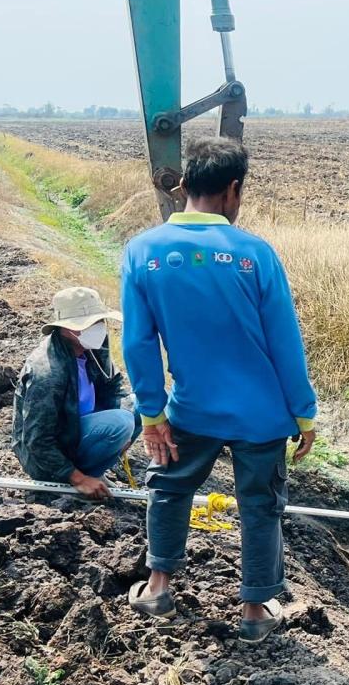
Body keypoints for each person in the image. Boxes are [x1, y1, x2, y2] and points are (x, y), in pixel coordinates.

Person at [121, 138, 317, 639]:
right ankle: (254, 615)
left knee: (168, 486)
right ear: (233, 190)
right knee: (260, 506)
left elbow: (139, 342)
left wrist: (152, 413)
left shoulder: (143, 252)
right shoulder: (255, 254)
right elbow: (285, 342)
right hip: (262, 414)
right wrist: (303, 412)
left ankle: (158, 586)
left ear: (184, 185)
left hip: (191, 408)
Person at [12, 286, 141, 500]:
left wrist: (125, 436)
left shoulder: (93, 348)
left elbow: (113, 385)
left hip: (79, 428)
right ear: (71, 329)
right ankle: (78, 481)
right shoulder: (47, 372)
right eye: (93, 323)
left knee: (141, 406)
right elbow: (36, 440)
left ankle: (95, 472)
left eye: (100, 321)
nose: (100, 328)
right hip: (48, 456)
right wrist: (78, 478)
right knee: (121, 423)